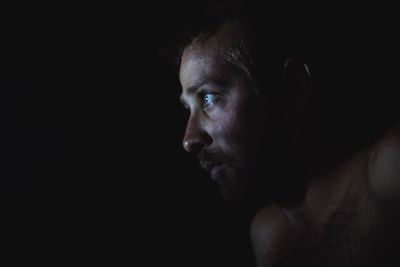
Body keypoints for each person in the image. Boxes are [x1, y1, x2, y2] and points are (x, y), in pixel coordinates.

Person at [171, 2, 399, 266]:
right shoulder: (268, 235)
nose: (189, 139)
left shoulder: (390, 172)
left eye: (209, 97)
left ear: (293, 86)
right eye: (188, 108)